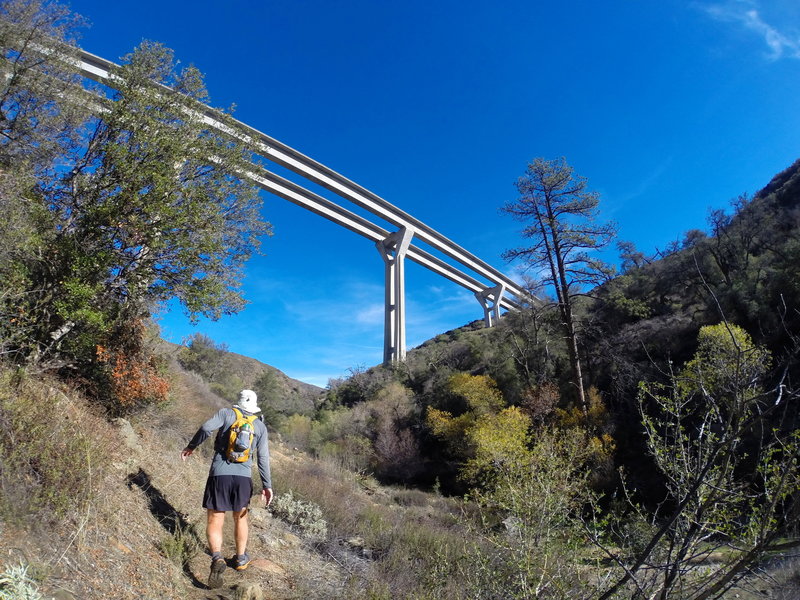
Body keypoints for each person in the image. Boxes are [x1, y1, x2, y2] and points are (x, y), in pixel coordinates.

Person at [181, 389, 273, 589]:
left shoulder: (226, 414)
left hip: (220, 474)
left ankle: (217, 557)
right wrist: (267, 485)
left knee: (216, 517)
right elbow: (263, 458)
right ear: (254, 406)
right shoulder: (260, 426)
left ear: (238, 402)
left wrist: (192, 446)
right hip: (243, 478)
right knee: (240, 517)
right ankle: (240, 559)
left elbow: (206, 428)